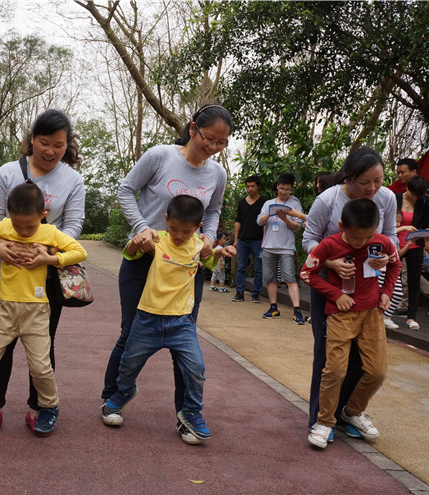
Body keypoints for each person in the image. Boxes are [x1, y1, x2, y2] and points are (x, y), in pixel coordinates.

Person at [102, 103, 232, 444]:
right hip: (145, 256)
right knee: (131, 330)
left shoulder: (217, 174)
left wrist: (208, 236)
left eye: (221, 143)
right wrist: (142, 228)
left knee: (183, 335)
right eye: (208, 138)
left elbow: (214, 209)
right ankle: (113, 397)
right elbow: (125, 190)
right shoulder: (160, 156)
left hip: (188, 264)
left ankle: (186, 413)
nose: (213, 148)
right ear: (192, 129)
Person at [0, 109, 85, 429]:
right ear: (32, 139)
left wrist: (49, 250)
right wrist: (0, 249)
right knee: (1, 343)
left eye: (59, 145)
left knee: (43, 344)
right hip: (4, 272)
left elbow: (73, 223)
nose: (50, 151)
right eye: (44, 142)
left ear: (67, 145)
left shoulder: (72, 179)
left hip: (46, 272)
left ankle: (39, 408)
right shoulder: (8, 172)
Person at [0, 182, 87, 436]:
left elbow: (79, 252)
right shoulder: (4, 226)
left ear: (43, 214)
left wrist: (49, 259)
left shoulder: (50, 232)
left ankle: (49, 407)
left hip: (37, 311)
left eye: (30, 226)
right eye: (18, 225)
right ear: (9, 214)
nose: (24, 231)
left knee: (40, 367)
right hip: (4, 308)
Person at [302, 147, 396, 438]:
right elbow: (309, 240)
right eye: (365, 182)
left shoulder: (387, 198)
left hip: (367, 290)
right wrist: (329, 262)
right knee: (328, 358)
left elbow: (390, 237)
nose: (372, 188)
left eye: (378, 181)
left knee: (364, 360)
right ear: (348, 177)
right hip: (332, 290)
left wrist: (385, 260)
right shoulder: (327, 200)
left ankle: (348, 414)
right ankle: (321, 419)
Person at [384, 176, 429, 330]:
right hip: (394, 244)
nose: (416, 198)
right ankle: (384, 313)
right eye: (414, 194)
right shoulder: (394, 199)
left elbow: (428, 224)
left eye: (419, 196)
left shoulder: (424, 202)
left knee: (414, 280)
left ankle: (411, 317)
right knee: (389, 277)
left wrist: (428, 236)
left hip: (414, 245)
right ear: (408, 188)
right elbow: (386, 223)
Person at [256, 172, 305, 324]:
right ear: (277, 187)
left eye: (288, 189)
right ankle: (273, 307)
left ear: (291, 190)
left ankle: (297, 310)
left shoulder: (295, 204)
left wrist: (285, 218)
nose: (284, 192)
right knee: (270, 279)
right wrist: (270, 215)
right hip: (268, 246)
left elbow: (297, 227)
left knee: (290, 279)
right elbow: (259, 221)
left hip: (286, 248)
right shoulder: (268, 203)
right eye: (282, 188)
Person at [232, 175, 266, 302]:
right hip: (242, 240)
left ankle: (256, 293)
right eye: (248, 186)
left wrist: (264, 240)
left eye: (252, 186)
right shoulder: (242, 202)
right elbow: (238, 221)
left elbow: (265, 222)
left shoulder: (264, 202)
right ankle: (239, 292)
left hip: (258, 240)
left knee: (258, 268)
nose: (250, 189)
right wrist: (236, 239)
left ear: (258, 187)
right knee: (241, 266)